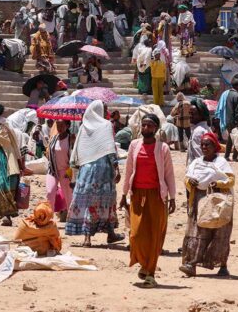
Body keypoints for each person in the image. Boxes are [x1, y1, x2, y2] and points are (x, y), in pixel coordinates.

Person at [120, 114, 176, 288]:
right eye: (143, 125)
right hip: (137, 195)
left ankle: (150, 272)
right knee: (135, 234)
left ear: (156, 128)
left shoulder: (163, 148)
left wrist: (172, 197)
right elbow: (129, 170)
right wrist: (123, 194)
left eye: (149, 126)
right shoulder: (134, 146)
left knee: (155, 235)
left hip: (157, 196)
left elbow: (169, 174)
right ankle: (144, 263)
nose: (146, 129)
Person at [66, 100, 123, 245]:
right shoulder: (106, 125)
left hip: (86, 170)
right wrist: (116, 168)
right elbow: (110, 149)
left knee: (88, 201)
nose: (106, 112)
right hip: (103, 170)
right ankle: (110, 233)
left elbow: (78, 149)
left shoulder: (83, 127)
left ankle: (87, 238)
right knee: (106, 201)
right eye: (104, 109)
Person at [180, 131, 235, 277]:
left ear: (214, 145)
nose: (204, 147)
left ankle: (222, 265)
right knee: (196, 233)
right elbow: (186, 177)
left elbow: (230, 180)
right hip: (198, 200)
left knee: (219, 233)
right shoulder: (196, 162)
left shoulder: (221, 163)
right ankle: (191, 264)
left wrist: (217, 183)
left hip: (218, 200)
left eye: (207, 144)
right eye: (202, 144)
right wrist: (189, 182)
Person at [46, 119, 73, 221]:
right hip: (52, 170)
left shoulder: (70, 139)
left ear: (67, 126)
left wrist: (70, 173)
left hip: (66, 171)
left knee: (68, 196)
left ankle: (71, 219)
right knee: (49, 192)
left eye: (62, 125)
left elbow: (74, 158)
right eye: (57, 125)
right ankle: (48, 219)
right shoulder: (54, 139)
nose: (59, 128)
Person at [216, 81, 238, 162]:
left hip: (226, 119)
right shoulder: (237, 95)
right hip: (233, 121)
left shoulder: (226, 94)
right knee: (237, 139)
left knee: (231, 138)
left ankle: (227, 156)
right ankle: (234, 157)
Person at [186, 98, 212, 165]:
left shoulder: (198, 132)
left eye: (193, 113)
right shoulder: (206, 128)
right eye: (189, 113)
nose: (190, 116)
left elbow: (199, 156)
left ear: (201, 115)